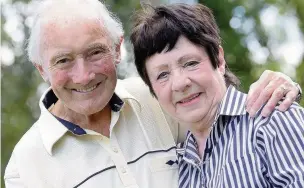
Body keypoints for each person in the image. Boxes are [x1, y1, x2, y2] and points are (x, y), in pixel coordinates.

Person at [4, 0, 302, 187]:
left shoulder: (154, 101)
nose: (83, 76)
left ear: (117, 49)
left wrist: (283, 90)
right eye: (63, 60)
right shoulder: (24, 168)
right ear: (42, 69)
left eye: (95, 52)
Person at [130, 3, 304, 188]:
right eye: (162, 75)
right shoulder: (179, 166)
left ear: (219, 60)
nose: (180, 83)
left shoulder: (272, 120)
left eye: (190, 63)